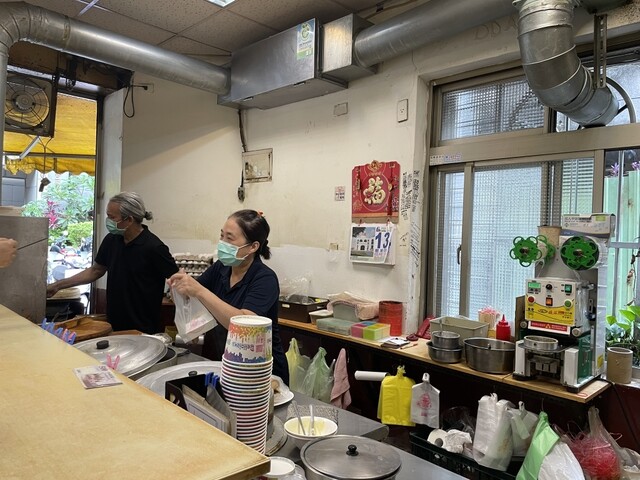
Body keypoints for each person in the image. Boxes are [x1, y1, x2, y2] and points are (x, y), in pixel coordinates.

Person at [168, 209, 289, 384]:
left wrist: (199, 291)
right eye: (222, 236)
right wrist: (179, 289)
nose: (222, 243)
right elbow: (193, 298)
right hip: (222, 363)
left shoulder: (265, 278)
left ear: (253, 247)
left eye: (230, 238)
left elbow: (245, 325)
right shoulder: (220, 268)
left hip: (258, 372)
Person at [46, 192, 178, 334]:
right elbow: (96, 270)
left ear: (129, 220)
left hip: (143, 329)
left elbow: (177, 280)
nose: (108, 221)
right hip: (114, 324)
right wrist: (58, 285)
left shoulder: (154, 247)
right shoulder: (111, 240)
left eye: (112, 217)